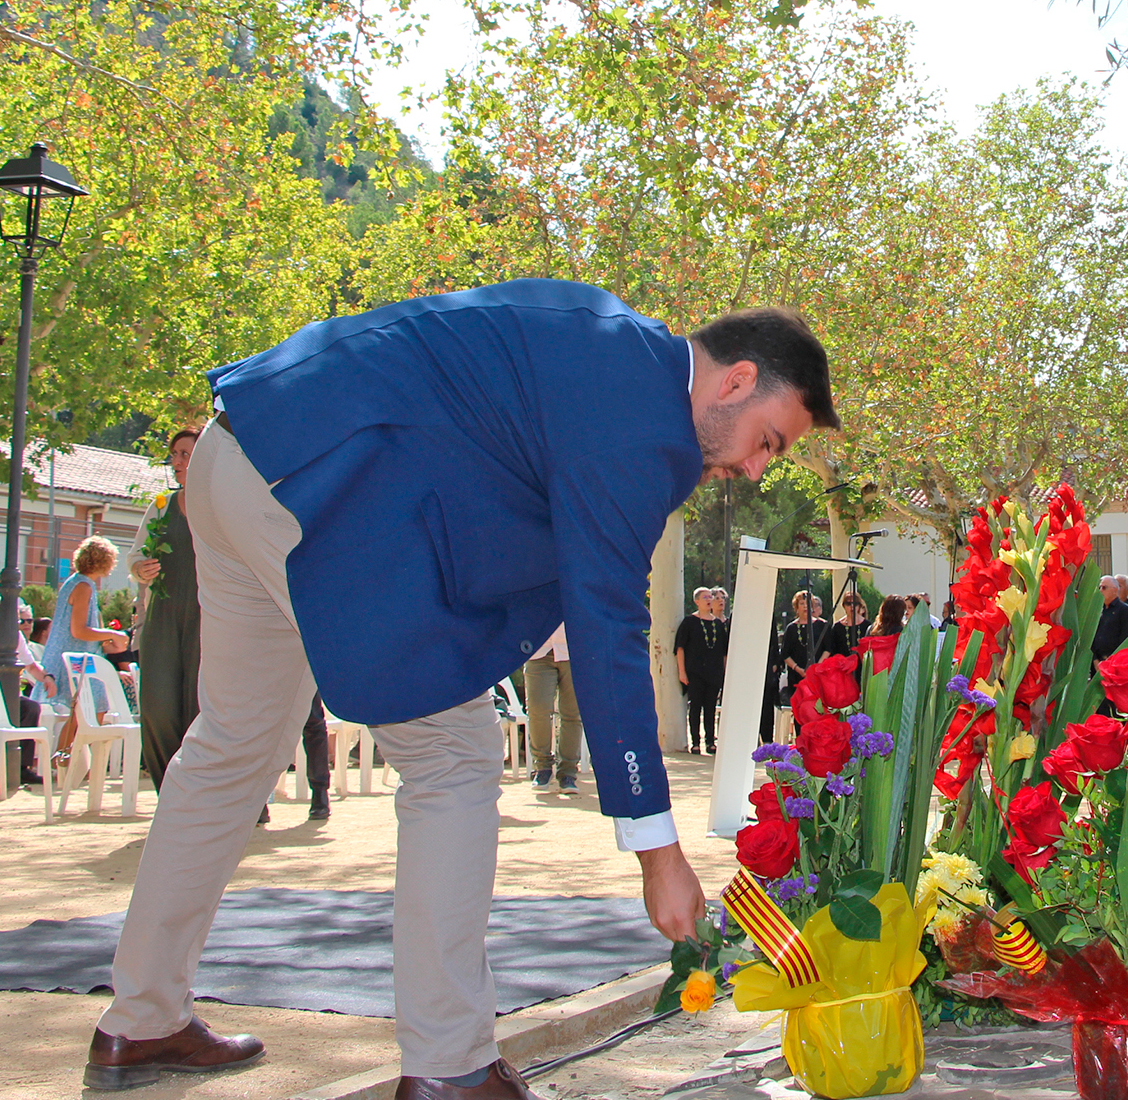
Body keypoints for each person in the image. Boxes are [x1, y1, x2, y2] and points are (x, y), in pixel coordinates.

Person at [85, 284, 838, 1097]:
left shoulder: (603, 333)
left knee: (230, 743)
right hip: (316, 486)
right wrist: (658, 853)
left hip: (242, 451)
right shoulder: (643, 416)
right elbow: (606, 620)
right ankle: (449, 1065)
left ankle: (142, 1016)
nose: (756, 470)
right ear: (734, 379)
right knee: (455, 755)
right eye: (768, 442)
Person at [126, 428, 204, 792]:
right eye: (174, 454)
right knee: (157, 706)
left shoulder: (221, 504)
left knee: (201, 710)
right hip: (162, 618)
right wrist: (139, 568)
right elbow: (135, 555)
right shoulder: (160, 505)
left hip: (210, 619)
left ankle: (213, 797)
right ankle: (169, 794)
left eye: (185, 454)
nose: (176, 462)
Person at [39, 537, 132, 757]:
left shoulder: (77, 582)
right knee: (88, 714)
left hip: (75, 658)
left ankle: (70, 764)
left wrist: (108, 641)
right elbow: (78, 631)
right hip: (73, 661)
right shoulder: (82, 586)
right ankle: (66, 763)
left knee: (83, 715)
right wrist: (113, 634)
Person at [522, 623, 583, 794]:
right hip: (537, 650)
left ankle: (568, 773)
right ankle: (542, 768)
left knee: (572, 714)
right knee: (538, 711)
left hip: (574, 650)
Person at [673, 588, 728, 754]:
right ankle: (695, 742)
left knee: (711, 707)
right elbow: (680, 648)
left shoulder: (718, 624)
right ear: (697, 601)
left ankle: (710, 741)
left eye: (710, 597)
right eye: (705, 597)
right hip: (695, 671)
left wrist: (725, 673)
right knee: (695, 706)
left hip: (714, 672)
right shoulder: (689, 622)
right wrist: (682, 672)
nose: (709, 600)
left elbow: (724, 651)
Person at [12, 603, 54, 785]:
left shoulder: (16, 636)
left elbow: (30, 666)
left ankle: (22, 768)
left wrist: (46, 678)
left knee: (30, 708)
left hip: (8, 695)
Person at [779, 588, 827, 698]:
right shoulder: (791, 628)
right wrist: (798, 669)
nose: (805, 606)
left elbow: (828, 648)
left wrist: (816, 667)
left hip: (817, 674)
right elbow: (785, 654)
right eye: (802, 603)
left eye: (808, 603)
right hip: (796, 676)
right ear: (796, 607)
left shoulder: (821, 625)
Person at [1092, 572, 1128, 667]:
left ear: (1114, 590)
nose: (1101, 590)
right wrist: (1095, 661)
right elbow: (1092, 637)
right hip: (1097, 665)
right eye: (1100, 587)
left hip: (1115, 665)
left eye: (1104, 588)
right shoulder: (1098, 610)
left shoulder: (1125, 610)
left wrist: (1111, 662)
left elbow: (1126, 640)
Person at [824, 591, 869, 657]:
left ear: (859, 605)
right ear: (844, 606)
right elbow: (833, 651)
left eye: (855, 603)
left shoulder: (867, 625)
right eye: (848, 603)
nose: (852, 606)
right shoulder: (837, 627)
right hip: (843, 664)